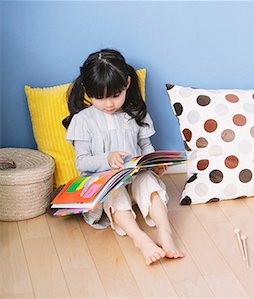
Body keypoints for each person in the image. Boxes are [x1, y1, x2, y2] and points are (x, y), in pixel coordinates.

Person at [62, 49, 183, 265]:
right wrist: (107, 159)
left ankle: (165, 232)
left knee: (148, 182)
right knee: (114, 193)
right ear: (87, 91)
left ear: (127, 83)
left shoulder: (135, 112)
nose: (109, 104)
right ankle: (141, 239)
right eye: (100, 97)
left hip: (134, 176)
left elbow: (145, 145)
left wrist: (154, 163)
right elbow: (82, 162)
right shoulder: (83, 120)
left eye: (115, 95)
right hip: (105, 183)